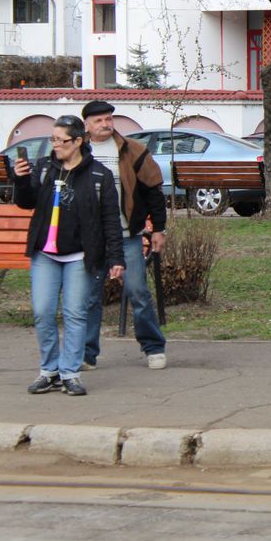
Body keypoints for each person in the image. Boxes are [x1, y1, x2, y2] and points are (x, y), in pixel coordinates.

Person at [14, 115, 125, 396]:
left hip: (79, 256)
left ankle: (70, 374)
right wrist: (21, 180)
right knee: (43, 312)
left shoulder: (98, 175)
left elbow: (111, 219)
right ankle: (48, 371)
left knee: (76, 314)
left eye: (61, 140)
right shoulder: (44, 168)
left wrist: (115, 259)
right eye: (52, 139)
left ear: (78, 141)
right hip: (45, 254)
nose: (55, 145)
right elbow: (25, 203)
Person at [80, 100, 169, 371]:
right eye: (99, 121)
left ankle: (153, 347)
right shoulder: (77, 150)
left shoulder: (133, 150)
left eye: (108, 119)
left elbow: (153, 190)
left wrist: (159, 229)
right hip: (90, 238)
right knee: (89, 296)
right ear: (86, 125)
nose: (106, 125)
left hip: (127, 235)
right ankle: (86, 354)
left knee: (138, 291)